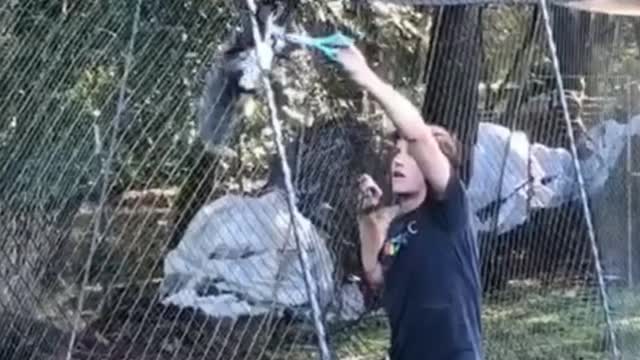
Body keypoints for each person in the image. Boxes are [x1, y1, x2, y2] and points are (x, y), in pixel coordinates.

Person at [334, 44, 484, 359]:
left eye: (410, 155)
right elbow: (376, 274)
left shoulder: (449, 211)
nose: (399, 161)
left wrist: (366, 77)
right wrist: (367, 216)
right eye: (396, 154)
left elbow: (418, 136)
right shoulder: (400, 227)